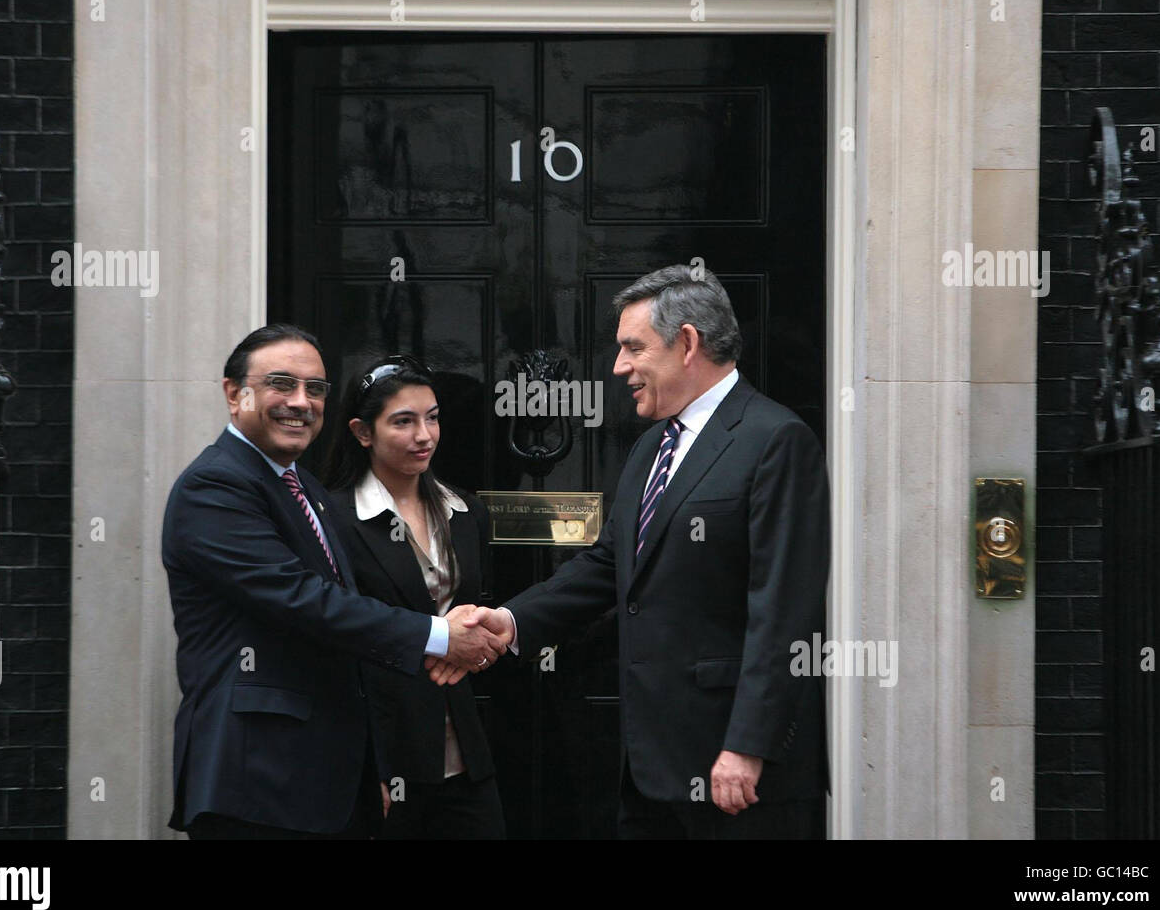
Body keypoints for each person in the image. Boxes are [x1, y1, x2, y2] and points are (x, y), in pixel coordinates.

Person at [429, 265, 831, 839]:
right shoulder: (650, 448)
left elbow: (784, 611)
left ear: (687, 343)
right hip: (649, 766)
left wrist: (747, 745)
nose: (619, 367)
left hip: (736, 769)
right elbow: (605, 565)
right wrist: (511, 621)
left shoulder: (775, 440)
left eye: (632, 348)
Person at [162, 324, 506, 839]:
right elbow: (303, 602)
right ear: (235, 393)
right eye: (282, 384)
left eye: (315, 388)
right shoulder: (215, 486)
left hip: (324, 777)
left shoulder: (305, 489)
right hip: (256, 778)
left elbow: (341, 625)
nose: (301, 402)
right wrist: (440, 636)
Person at [324, 355, 505, 839]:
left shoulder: (465, 511)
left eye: (432, 417)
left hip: (465, 752)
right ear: (363, 432)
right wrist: (365, 766)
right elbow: (337, 639)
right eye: (403, 421)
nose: (424, 435)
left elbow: (475, 621)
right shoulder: (334, 518)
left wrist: (480, 646)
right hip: (383, 754)